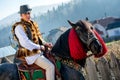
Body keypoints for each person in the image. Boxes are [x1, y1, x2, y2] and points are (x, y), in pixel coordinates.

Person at [12, 5, 55, 80]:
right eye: (25, 14)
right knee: (50, 66)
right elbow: (25, 43)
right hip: (29, 54)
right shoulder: (19, 27)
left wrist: (45, 44)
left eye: (28, 13)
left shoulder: (32, 24)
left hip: (37, 51)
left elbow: (39, 37)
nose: (28, 15)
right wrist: (39, 47)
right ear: (21, 15)